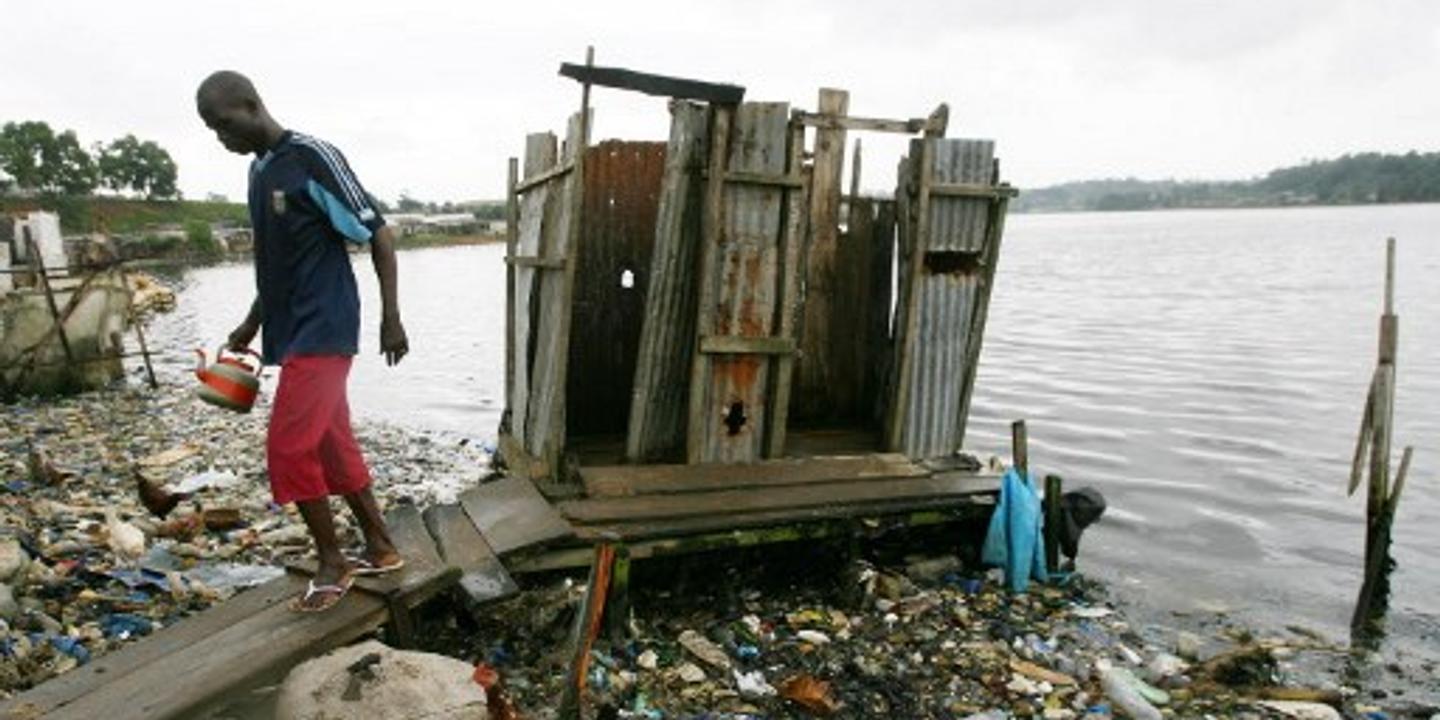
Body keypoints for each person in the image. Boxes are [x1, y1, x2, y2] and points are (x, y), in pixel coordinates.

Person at [196, 70, 410, 612]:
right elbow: (277, 264)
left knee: (289, 448)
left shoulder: (313, 157)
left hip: (326, 326)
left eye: (224, 124)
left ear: (251, 106)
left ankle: (333, 561)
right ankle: (381, 546)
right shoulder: (258, 172)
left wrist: (391, 318)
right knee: (332, 442)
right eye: (212, 130)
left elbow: (379, 234)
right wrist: (251, 323)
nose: (222, 137)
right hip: (289, 331)